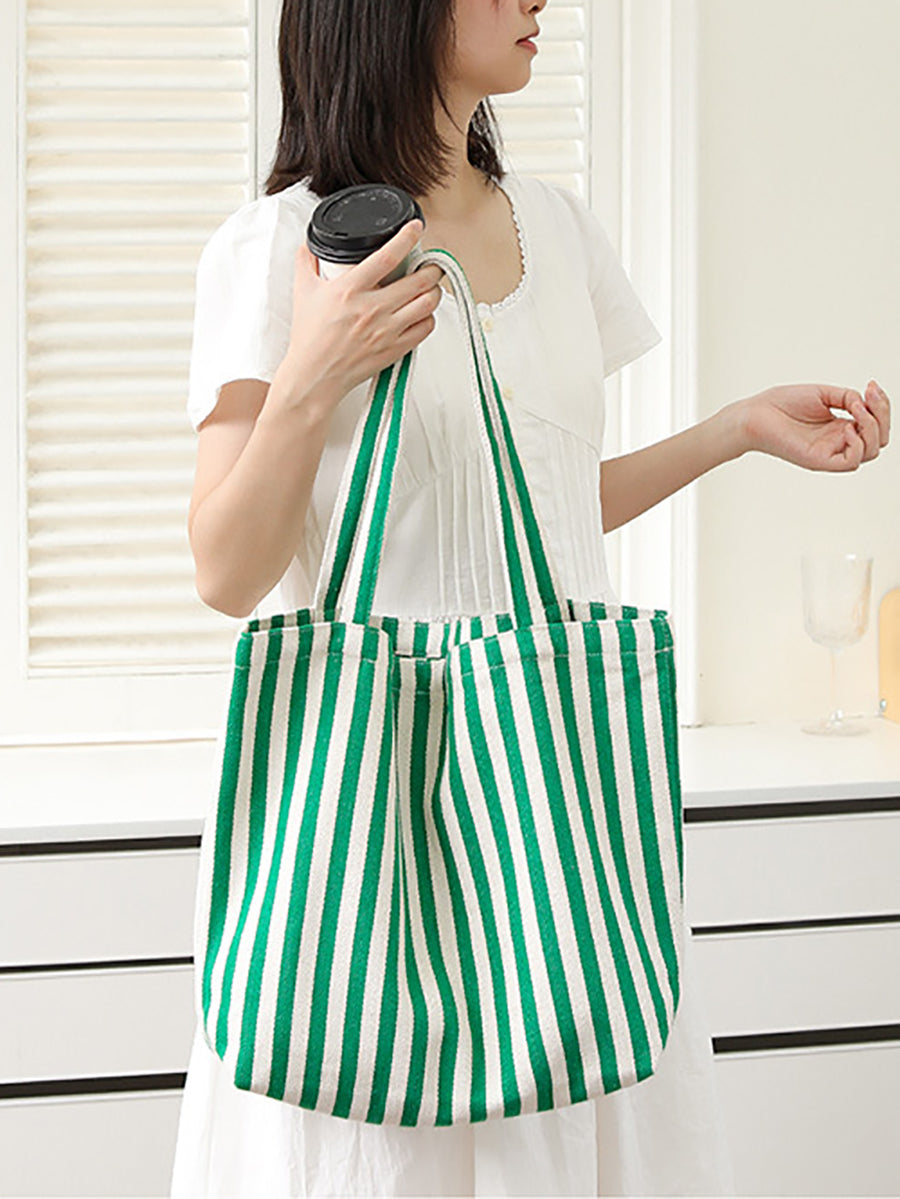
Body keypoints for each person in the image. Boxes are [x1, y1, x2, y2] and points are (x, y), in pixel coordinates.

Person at [172, 0, 891, 1194]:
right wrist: (314, 370)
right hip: (374, 836)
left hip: (556, 811)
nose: (537, 0)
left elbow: (538, 511)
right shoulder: (281, 249)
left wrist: (732, 431)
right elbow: (226, 569)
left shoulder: (555, 227)